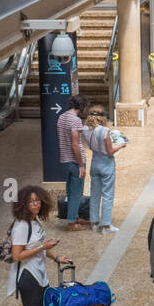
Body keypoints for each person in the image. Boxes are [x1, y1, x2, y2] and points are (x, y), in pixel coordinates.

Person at [7, 185, 68, 306]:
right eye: (31, 201)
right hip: (28, 276)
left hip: (39, 276)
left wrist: (56, 257)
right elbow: (17, 255)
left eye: (37, 200)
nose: (35, 204)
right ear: (23, 205)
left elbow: (40, 247)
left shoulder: (34, 222)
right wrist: (42, 246)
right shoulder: (21, 226)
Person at [81, 108, 121, 233]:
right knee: (108, 195)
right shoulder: (105, 131)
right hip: (106, 164)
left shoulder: (85, 129)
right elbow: (110, 152)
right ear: (102, 117)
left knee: (95, 194)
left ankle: (94, 223)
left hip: (95, 163)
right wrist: (120, 146)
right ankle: (106, 226)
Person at [56, 95, 90, 231]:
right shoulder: (75, 121)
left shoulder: (61, 117)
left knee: (70, 190)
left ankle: (74, 216)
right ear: (81, 106)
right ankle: (71, 223)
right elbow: (75, 145)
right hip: (75, 161)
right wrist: (81, 164)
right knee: (76, 191)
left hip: (65, 159)